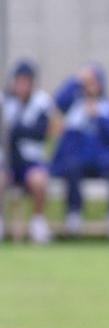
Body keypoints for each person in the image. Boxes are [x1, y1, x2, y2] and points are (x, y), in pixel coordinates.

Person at [51, 64, 109, 240]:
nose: (89, 87)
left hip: (104, 160)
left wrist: (98, 117)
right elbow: (57, 101)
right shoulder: (74, 107)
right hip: (80, 159)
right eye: (86, 83)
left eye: (93, 82)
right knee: (70, 165)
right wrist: (75, 79)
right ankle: (74, 214)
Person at [0, 60, 53, 244]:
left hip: (31, 159)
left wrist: (15, 129)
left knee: (38, 180)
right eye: (19, 81)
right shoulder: (5, 100)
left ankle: (38, 221)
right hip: (8, 160)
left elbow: (39, 132)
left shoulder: (41, 102)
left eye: (26, 81)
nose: (22, 86)